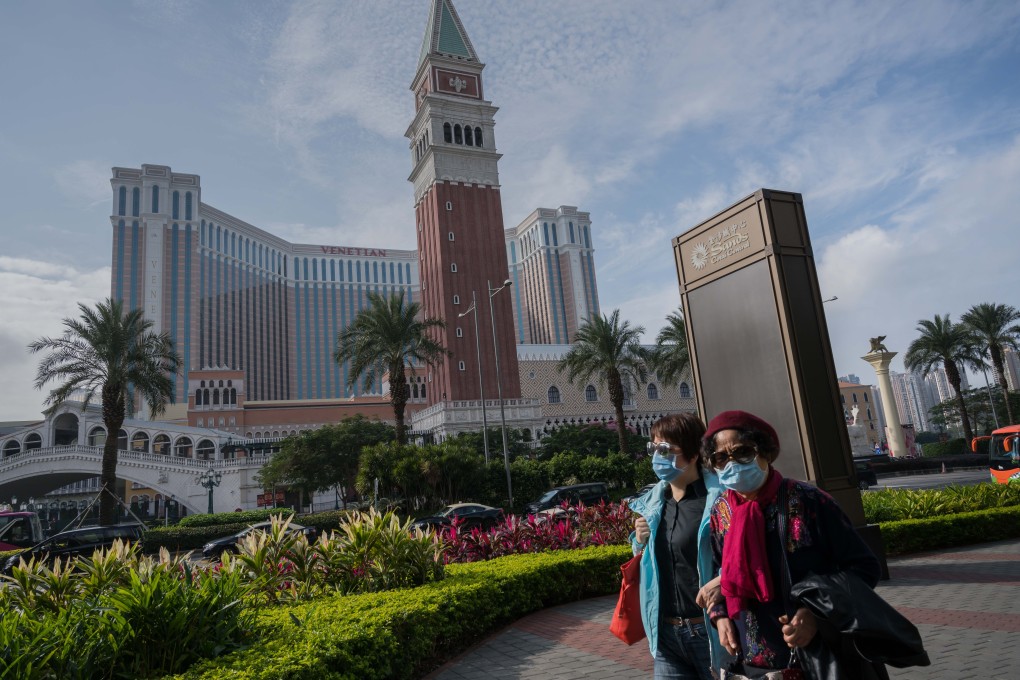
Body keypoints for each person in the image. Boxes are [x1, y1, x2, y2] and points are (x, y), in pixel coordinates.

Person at [702, 410, 881, 677]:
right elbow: (720, 574)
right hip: (753, 661)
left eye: (742, 452)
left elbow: (864, 568)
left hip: (819, 657)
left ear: (765, 452)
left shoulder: (810, 501)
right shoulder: (721, 512)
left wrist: (816, 615)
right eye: (720, 458)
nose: (732, 464)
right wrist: (721, 616)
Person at [629, 413, 726, 680]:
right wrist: (639, 541)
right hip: (667, 634)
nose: (657, 456)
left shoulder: (718, 503)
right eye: (654, 448)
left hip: (710, 630)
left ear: (694, 454)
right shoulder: (654, 505)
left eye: (666, 450)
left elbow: (740, 558)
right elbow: (647, 561)